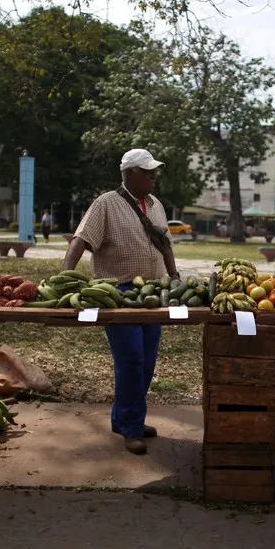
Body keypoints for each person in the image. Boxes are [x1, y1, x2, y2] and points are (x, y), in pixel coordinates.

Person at [63, 148, 178, 455]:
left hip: (153, 294)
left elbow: (165, 244)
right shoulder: (106, 204)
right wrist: (63, 278)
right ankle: (130, 427)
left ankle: (124, 418)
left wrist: (174, 275)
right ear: (129, 173)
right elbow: (81, 240)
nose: (154, 176)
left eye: (155, 170)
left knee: (148, 359)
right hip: (119, 293)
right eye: (147, 170)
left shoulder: (156, 205)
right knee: (131, 360)